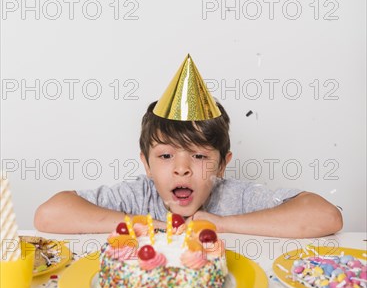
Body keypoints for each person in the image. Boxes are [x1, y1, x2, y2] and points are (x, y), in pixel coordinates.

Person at [34, 56, 342, 237]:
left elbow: (326, 216)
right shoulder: (137, 197)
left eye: (198, 155)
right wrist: (139, 224)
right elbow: (48, 215)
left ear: (222, 164)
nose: (181, 167)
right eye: (166, 156)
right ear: (146, 164)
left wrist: (222, 224)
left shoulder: (234, 198)